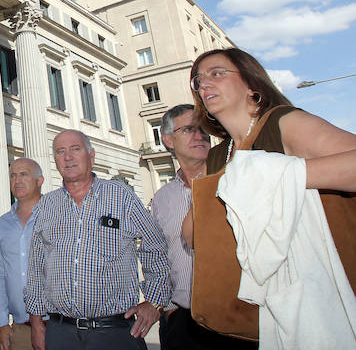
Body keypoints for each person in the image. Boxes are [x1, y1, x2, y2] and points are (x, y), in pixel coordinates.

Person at [184, 48, 356, 347]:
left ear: (253, 86)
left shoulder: (283, 123)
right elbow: (193, 236)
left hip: (312, 299)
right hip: (248, 317)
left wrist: (270, 178)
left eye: (217, 74)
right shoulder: (216, 156)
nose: (204, 85)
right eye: (198, 81)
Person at [25, 129, 170, 350]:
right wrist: (36, 323)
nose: (68, 157)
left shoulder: (121, 197)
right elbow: (36, 267)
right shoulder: (46, 206)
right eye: (60, 151)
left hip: (115, 332)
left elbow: (155, 247)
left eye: (75, 149)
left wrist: (155, 302)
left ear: (91, 156)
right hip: (61, 333)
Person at [151, 104, 254, 350]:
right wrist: (168, 309)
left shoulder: (236, 179)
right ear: (168, 140)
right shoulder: (162, 199)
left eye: (203, 130)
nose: (200, 136)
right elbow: (157, 255)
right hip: (183, 321)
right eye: (189, 129)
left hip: (239, 315)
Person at [0, 158, 45, 350]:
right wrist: (1, 322)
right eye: (13, 175)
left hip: (57, 325)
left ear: (40, 181)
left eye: (24, 174)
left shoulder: (56, 216)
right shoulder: (2, 224)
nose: (17, 180)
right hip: (20, 328)